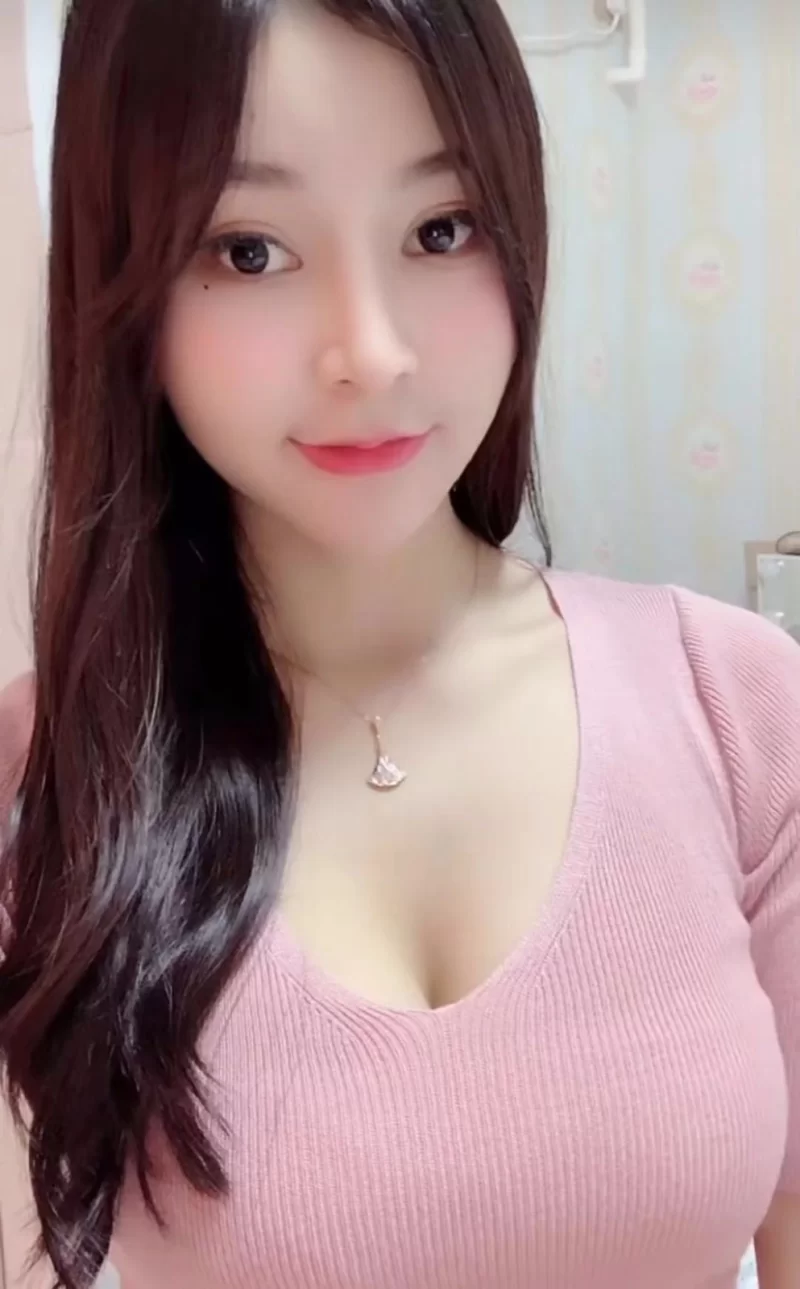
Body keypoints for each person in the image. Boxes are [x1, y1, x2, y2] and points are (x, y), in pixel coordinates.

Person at [0, 1, 797, 1287]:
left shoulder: (739, 709)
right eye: (248, 249)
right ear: (123, 282)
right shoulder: (44, 784)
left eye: (440, 226)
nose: (369, 353)